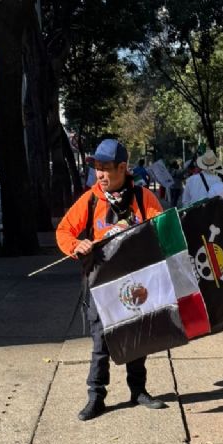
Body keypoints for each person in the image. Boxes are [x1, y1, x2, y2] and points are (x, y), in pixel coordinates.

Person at [56, 138, 166, 421]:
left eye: (106, 169)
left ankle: (138, 390)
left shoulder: (143, 198)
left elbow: (162, 231)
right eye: (97, 168)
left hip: (135, 285)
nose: (100, 175)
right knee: (101, 343)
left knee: (137, 338)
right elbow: (64, 231)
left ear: (122, 168)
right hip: (100, 285)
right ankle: (96, 397)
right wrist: (76, 246)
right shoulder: (91, 199)